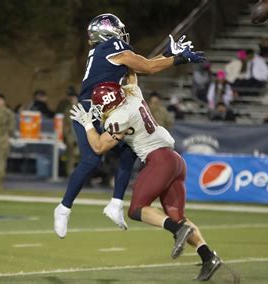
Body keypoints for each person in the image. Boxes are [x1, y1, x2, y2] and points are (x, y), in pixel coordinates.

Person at [53, 13, 205, 239]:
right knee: (92, 159)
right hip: (90, 109)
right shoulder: (111, 46)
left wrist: (169, 54)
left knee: (130, 147)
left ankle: (115, 204)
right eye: (118, 29)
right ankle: (64, 208)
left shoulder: (107, 52)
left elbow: (144, 66)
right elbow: (146, 67)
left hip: (107, 107)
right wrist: (178, 59)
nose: (123, 33)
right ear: (107, 32)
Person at [70, 74, 221, 281]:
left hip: (159, 160)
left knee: (137, 209)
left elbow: (98, 147)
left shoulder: (118, 118)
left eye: (99, 106)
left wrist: (87, 123)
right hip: (176, 160)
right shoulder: (133, 93)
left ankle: (178, 230)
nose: (98, 110)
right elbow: (132, 75)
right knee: (177, 215)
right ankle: (208, 257)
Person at [62, 90, 80, 176]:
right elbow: (66, 125)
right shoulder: (68, 109)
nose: (72, 99)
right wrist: (68, 138)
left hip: (80, 136)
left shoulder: (81, 108)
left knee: (81, 157)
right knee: (71, 157)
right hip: (71, 136)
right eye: (71, 98)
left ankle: (80, 175)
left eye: (74, 98)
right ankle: (70, 174)